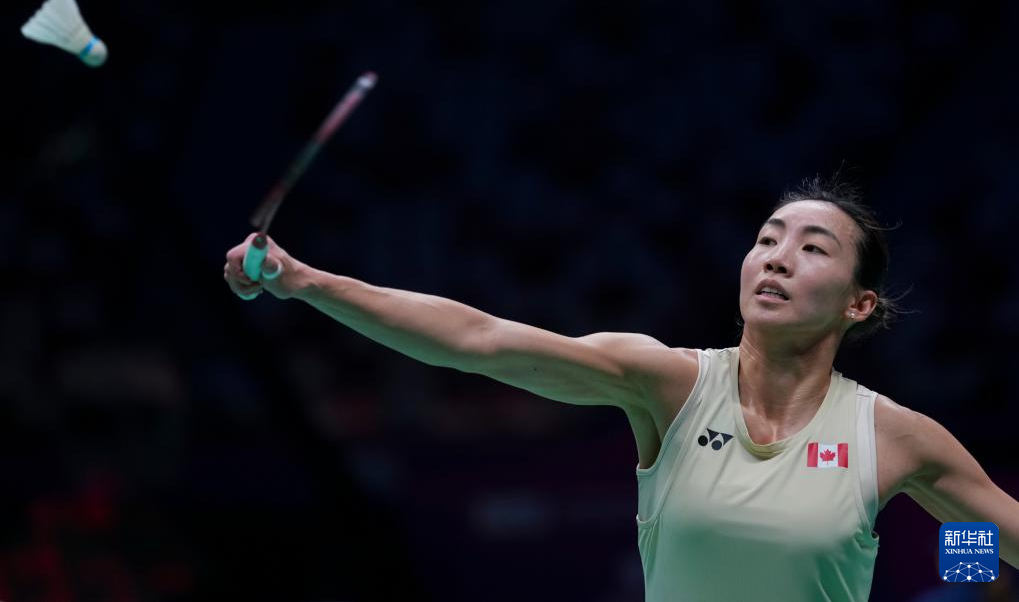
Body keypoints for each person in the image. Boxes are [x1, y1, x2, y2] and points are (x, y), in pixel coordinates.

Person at [223, 175, 1018, 601]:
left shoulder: (892, 435)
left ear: (858, 303)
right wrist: (306, 281)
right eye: (766, 239)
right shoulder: (667, 384)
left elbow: (981, 528)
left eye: (812, 248)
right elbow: (478, 340)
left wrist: (971, 582)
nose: (776, 257)